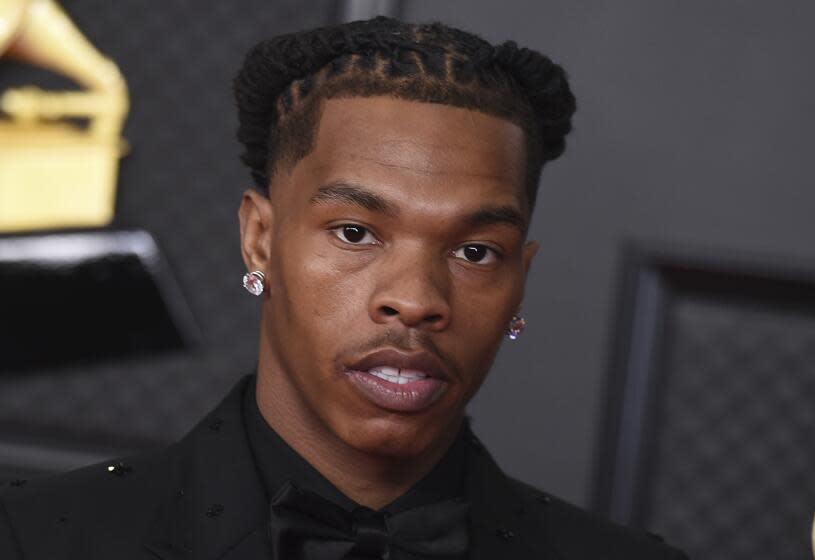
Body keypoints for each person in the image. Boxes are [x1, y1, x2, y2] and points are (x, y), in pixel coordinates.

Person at [0, 16, 687, 559]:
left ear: (519, 283)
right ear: (260, 240)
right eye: (355, 233)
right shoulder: (35, 541)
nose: (416, 299)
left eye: (476, 251)